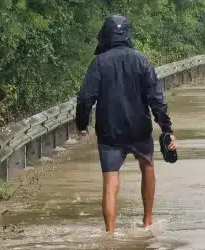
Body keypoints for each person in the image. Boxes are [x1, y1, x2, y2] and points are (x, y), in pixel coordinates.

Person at [75, 14, 178, 232]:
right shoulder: (141, 59)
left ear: (105, 35)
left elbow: (85, 97)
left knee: (110, 183)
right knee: (147, 166)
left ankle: (110, 233)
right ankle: (148, 220)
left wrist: (82, 125)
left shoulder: (99, 63)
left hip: (109, 131)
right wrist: (167, 129)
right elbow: (156, 99)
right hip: (139, 127)